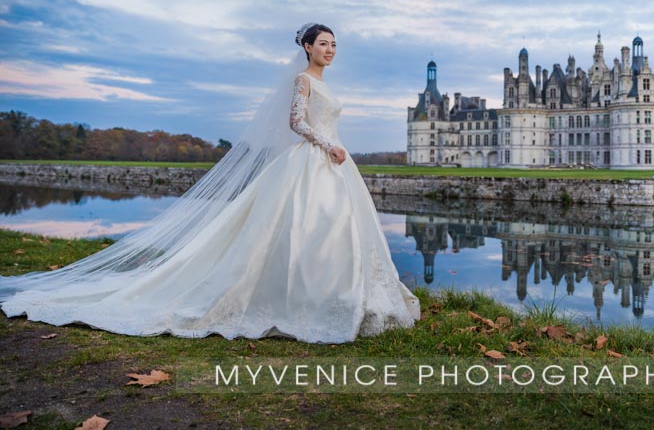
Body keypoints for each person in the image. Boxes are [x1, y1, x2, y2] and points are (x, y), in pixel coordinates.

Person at [0, 23, 420, 343]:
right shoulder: (303, 80)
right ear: (306, 47)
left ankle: (336, 296)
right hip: (312, 158)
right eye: (323, 43)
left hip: (333, 161)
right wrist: (328, 143)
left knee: (332, 229)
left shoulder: (325, 83)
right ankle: (299, 299)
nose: (329, 50)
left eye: (333, 45)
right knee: (302, 226)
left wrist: (333, 147)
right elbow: (295, 122)